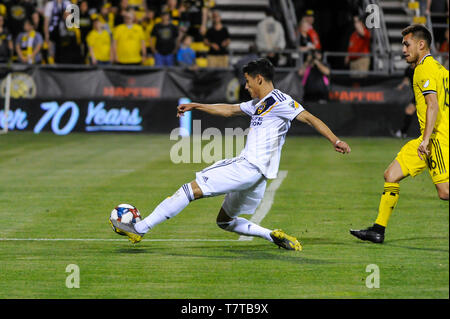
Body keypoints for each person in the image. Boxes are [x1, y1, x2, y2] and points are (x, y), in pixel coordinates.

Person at [109, 58, 351, 250]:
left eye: (247, 81)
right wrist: (197, 105)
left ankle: (141, 229)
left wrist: (335, 139)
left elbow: (309, 117)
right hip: (258, 178)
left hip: (247, 167)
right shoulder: (260, 104)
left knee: (188, 190)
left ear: (259, 79)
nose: (245, 86)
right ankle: (271, 235)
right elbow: (229, 110)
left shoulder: (279, 101)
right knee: (224, 221)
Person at [350, 24, 449, 244]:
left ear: (421, 44)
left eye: (407, 44)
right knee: (391, 175)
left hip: (435, 140)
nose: (403, 49)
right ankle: (378, 230)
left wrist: (426, 140)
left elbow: (432, 105)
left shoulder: (424, 69)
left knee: (445, 192)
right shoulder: (440, 70)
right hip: (428, 139)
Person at [392, 64, 416, 138]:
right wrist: (401, 86)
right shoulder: (408, 69)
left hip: (422, 94)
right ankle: (403, 132)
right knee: (409, 111)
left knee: (410, 110)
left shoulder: (420, 67)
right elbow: (406, 80)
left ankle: (403, 132)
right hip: (417, 94)